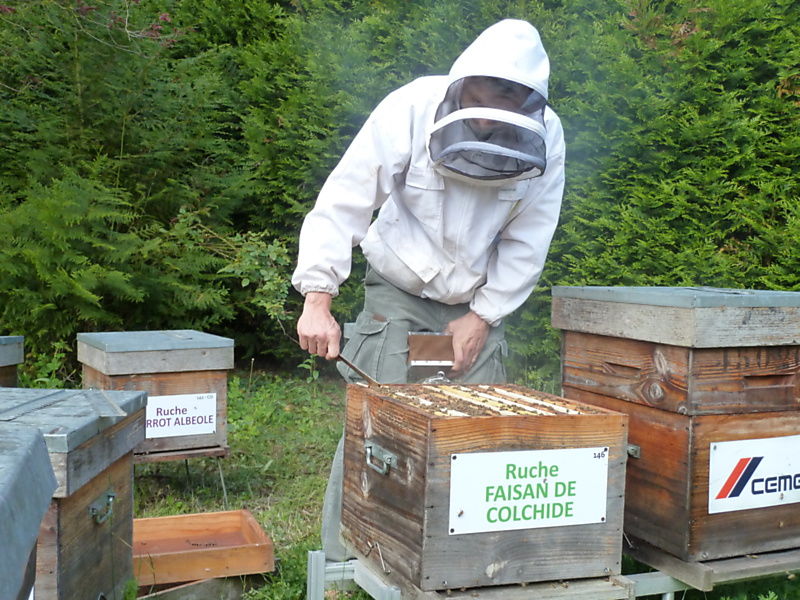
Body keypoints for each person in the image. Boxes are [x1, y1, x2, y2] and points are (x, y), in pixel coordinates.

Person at [291, 19, 565, 561]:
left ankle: (455, 564)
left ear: (529, 100)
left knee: (477, 429)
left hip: (472, 306)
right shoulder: (412, 107)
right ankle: (345, 561)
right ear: (464, 80)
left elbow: (530, 237)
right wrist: (317, 298)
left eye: (508, 99)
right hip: (399, 290)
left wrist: (482, 316)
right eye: (484, 95)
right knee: (381, 421)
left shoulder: (548, 135)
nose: (488, 115)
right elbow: (346, 196)